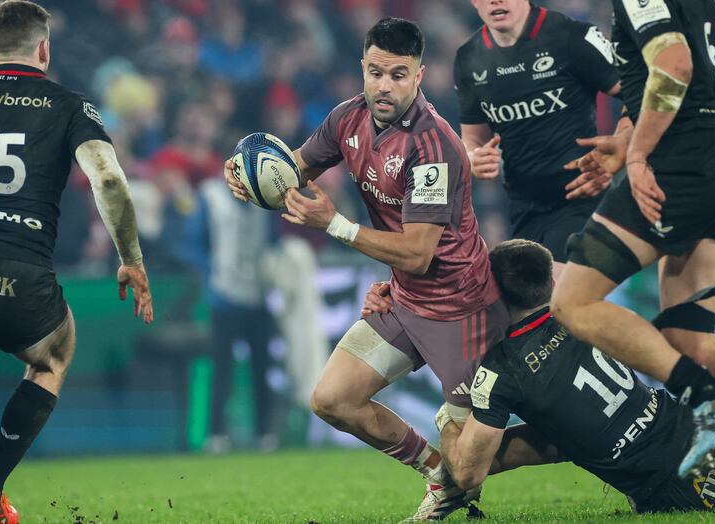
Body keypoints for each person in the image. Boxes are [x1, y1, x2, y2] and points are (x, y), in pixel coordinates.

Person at [225, 17, 510, 521]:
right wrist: (252, 177)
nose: (385, 86)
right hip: (403, 300)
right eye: (376, 72)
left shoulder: (433, 146)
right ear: (363, 67)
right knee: (333, 399)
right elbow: (292, 172)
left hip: (459, 309)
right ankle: (437, 473)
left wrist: (334, 224)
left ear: (419, 76)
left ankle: (505, 457)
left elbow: (420, 253)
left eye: (399, 75)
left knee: (475, 473)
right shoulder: (345, 119)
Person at [548, 2, 715, 518]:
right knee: (690, 338)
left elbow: (678, 65)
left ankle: (709, 399)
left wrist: (634, 150)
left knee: (572, 303)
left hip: (683, 164)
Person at [434, 239, 715, 514]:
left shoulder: (503, 369)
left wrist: (449, 420)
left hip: (669, 481)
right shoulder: (582, 315)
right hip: (696, 425)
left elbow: (467, 475)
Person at [0, 2, 154, 523]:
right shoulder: (68, 105)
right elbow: (108, 179)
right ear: (44, 49)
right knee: (52, 355)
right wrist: (130, 257)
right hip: (22, 273)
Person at [454, 0, 621, 276]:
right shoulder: (468, 58)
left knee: (553, 298)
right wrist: (473, 157)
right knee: (527, 310)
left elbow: (638, 93)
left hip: (580, 197)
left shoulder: (572, 36)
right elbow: (473, 138)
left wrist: (621, 143)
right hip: (522, 207)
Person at [181, 171, 281, 453]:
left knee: (262, 365)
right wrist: (210, 270)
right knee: (221, 367)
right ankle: (216, 433)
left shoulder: (264, 200)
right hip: (222, 294)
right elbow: (192, 242)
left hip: (258, 293)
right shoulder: (210, 195)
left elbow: (273, 241)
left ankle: (265, 432)